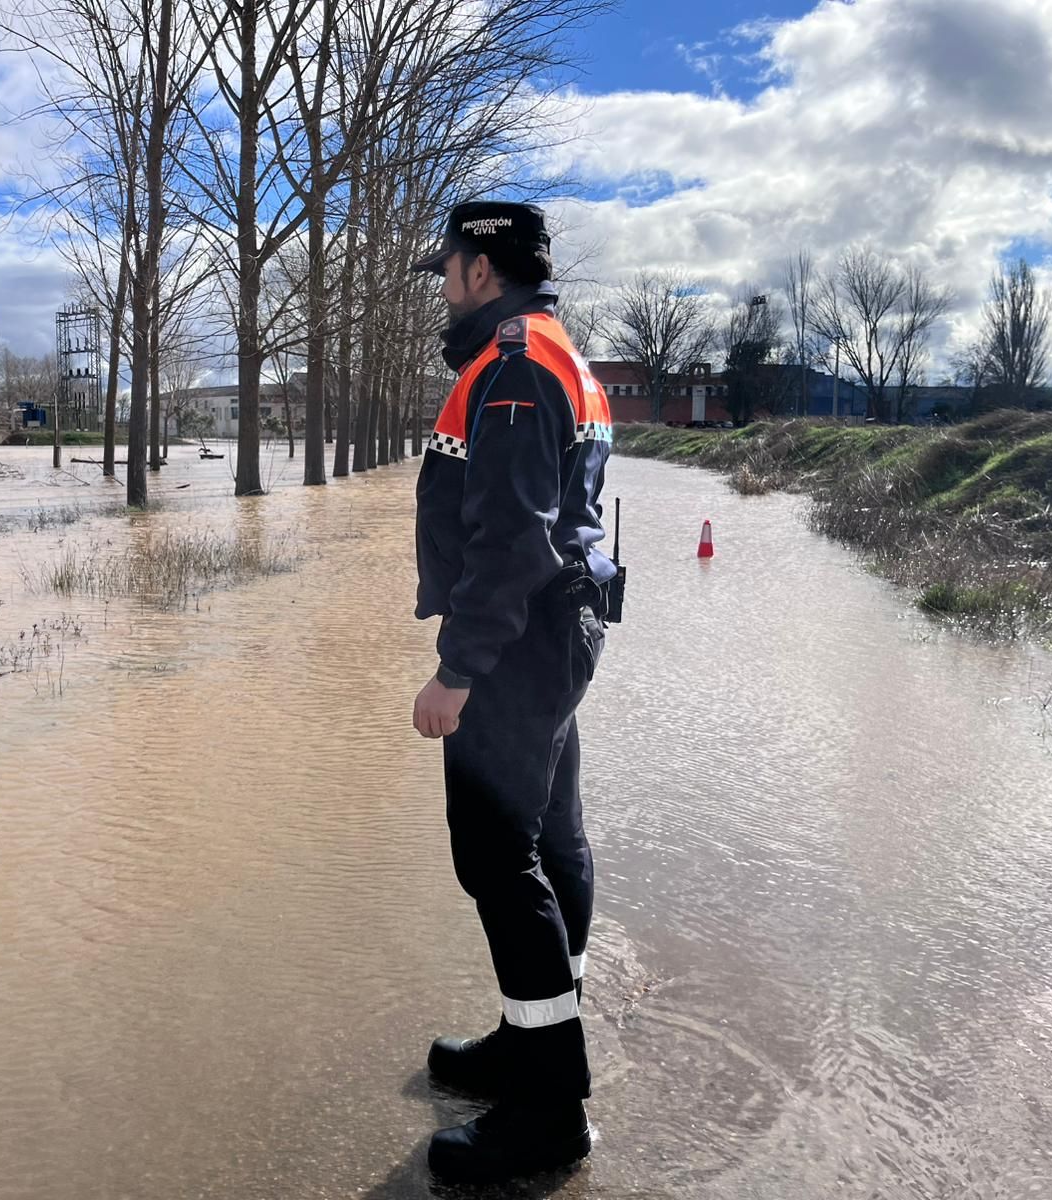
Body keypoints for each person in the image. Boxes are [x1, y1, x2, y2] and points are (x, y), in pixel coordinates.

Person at [409, 200, 617, 1184]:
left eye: (446, 267)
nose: (441, 284)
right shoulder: (552, 350)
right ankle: (529, 1038)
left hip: (518, 642)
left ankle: (546, 1112)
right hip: (557, 633)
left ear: (480, 270)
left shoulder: (514, 366)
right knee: (548, 844)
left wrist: (456, 672)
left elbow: (512, 540)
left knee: (498, 858)